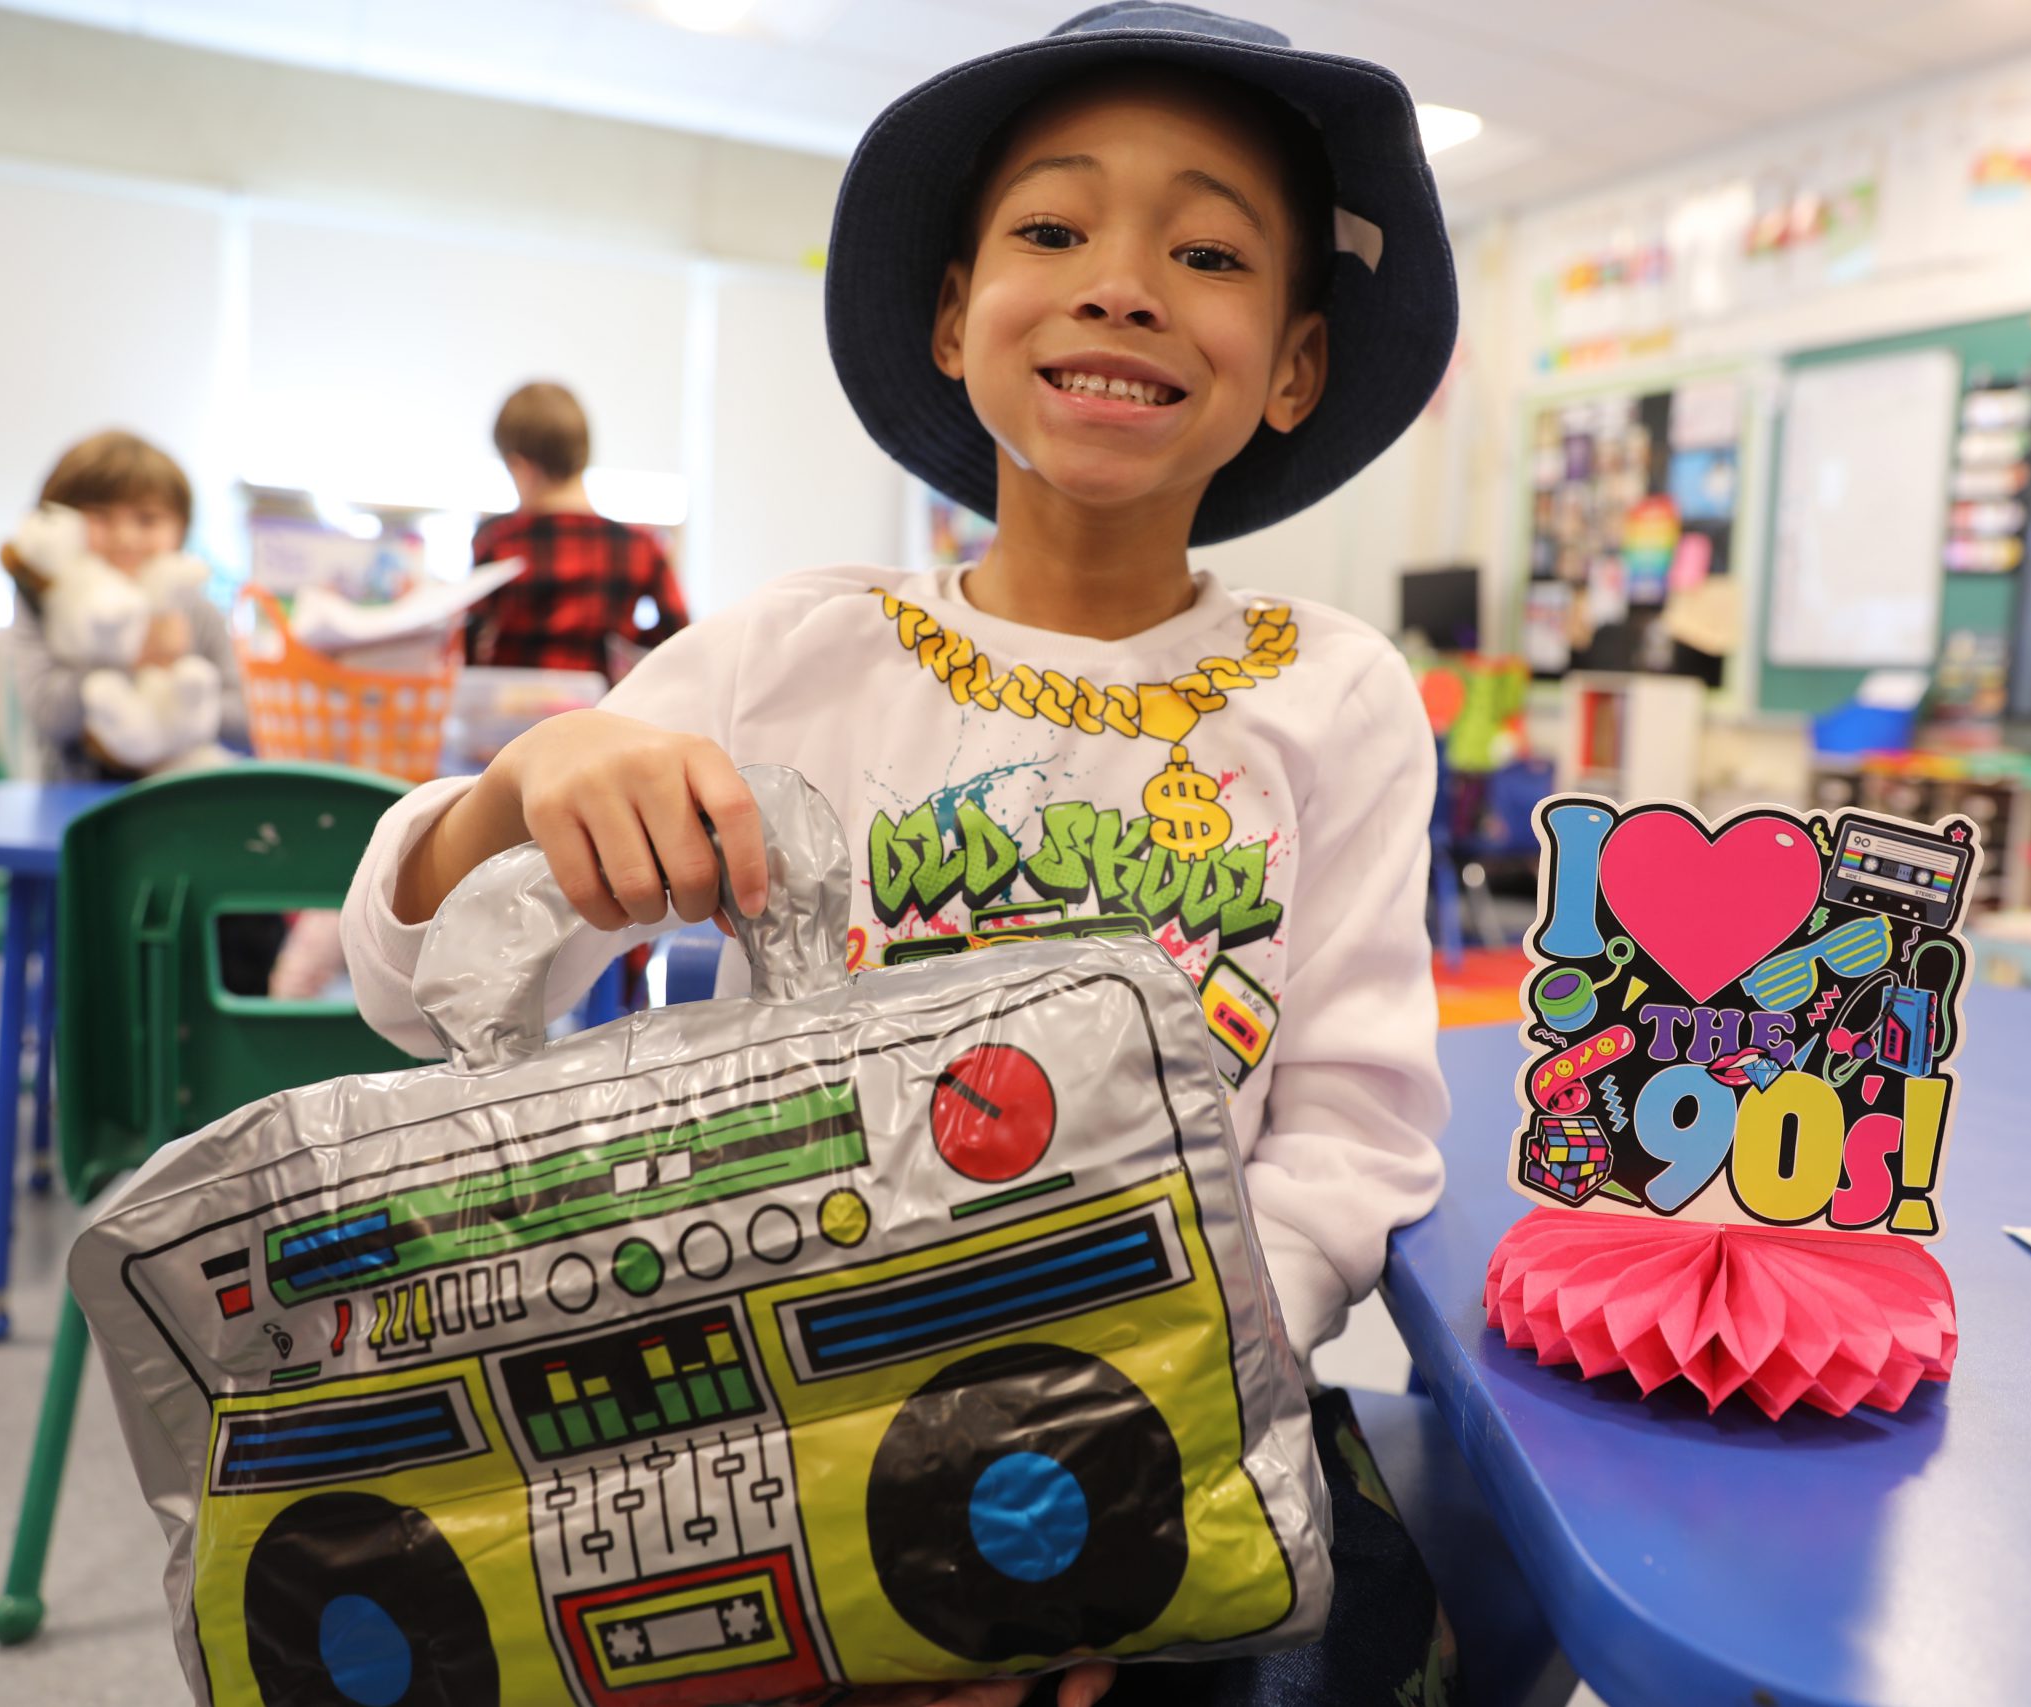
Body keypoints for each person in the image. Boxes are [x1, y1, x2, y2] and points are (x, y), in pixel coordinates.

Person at [343, 7, 1457, 1702]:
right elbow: (411, 990)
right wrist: (527, 780)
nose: (1124, 282)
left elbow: (1353, 1136)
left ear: (1293, 362)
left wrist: (1135, 1421)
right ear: (954, 318)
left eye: (1210, 249)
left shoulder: (1338, 694)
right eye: (1053, 228)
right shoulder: (789, 657)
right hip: (788, 1427)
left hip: (1184, 1420)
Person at [4, 430, 246, 780]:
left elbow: (244, 718)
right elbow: (47, 712)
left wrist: (178, 702)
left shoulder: (197, 610)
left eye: (147, 519)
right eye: (99, 517)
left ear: (181, 528)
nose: (125, 537)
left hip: (179, 794)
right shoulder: (43, 604)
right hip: (71, 796)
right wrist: (136, 657)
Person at [464, 380, 689, 676]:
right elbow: (682, 643)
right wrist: (631, 636)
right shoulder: (641, 547)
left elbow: (468, 644)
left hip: (516, 718)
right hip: (599, 715)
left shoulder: (499, 541)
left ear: (520, 466)